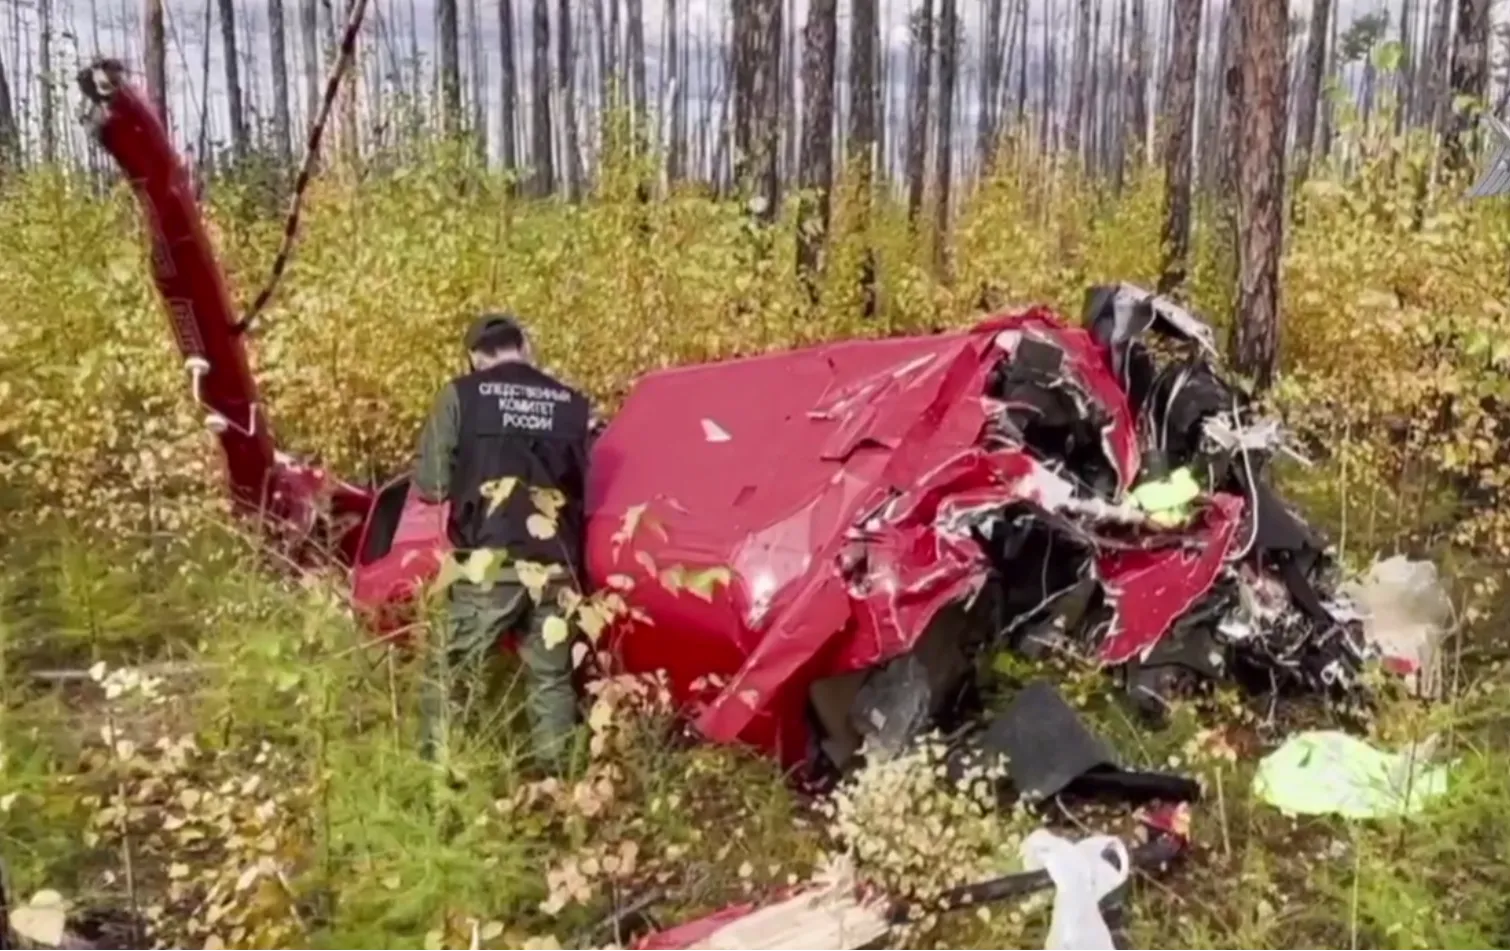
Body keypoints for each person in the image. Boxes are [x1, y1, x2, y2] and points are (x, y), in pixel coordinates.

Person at [412, 312, 593, 773]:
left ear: (475, 357)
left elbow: (431, 485)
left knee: (449, 672)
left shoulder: (461, 395)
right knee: (551, 681)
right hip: (558, 561)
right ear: (524, 347)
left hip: (488, 561)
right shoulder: (572, 403)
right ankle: (559, 787)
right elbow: (587, 484)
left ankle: (437, 777)